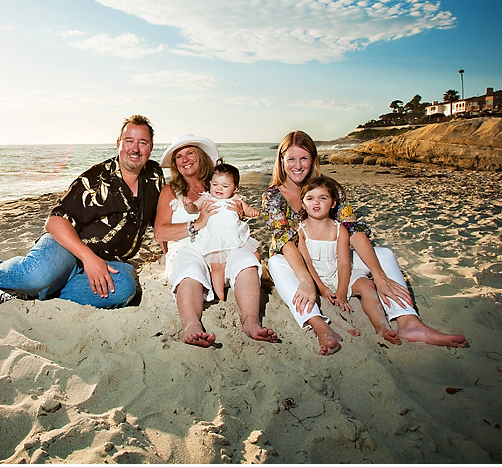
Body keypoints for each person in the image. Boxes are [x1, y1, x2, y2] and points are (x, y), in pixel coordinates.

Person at [262, 131, 467, 354]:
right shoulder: (272, 195)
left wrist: (378, 276)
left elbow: (352, 229)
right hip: (300, 262)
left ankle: (409, 322)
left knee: (384, 254)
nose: (297, 165)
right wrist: (306, 280)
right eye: (291, 158)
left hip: (334, 257)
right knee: (275, 262)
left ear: (313, 159)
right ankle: (319, 324)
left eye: (304, 158)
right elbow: (284, 240)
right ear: (281, 160)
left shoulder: (330, 189)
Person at [0, 115, 164, 309]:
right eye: (129, 141)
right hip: (68, 247)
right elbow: (54, 222)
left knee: (125, 289)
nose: (134, 148)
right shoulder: (96, 178)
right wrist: (88, 259)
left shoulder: (154, 177)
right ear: (119, 144)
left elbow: (162, 220)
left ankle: (24, 295)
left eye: (142, 142)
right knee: (38, 275)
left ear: (151, 147)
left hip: (108, 262)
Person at [154, 134, 278, 347]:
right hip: (188, 246)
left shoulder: (218, 183)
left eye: (190, 153)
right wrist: (196, 224)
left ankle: (251, 321)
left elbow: (236, 212)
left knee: (246, 263)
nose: (185, 159)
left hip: (224, 244)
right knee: (189, 270)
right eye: (179, 157)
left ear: (200, 156)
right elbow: (160, 233)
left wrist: (238, 212)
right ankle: (192, 325)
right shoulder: (170, 190)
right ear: (175, 164)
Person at [297, 176, 400, 345]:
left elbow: (344, 263)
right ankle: (335, 325)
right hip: (316, 277)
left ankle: (381, 327)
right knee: (314, 299)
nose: (316, 202)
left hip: (339, 274)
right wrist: (322, 288)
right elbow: (307, 263)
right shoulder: (300, 230)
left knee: (367, 285)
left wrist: (342, 291)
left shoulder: (340, 230)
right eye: (310, 198)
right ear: (302, 204)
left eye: (323, 198)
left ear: (333, 204)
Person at [182, 162, 261, 301]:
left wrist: (251, 211)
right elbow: (194, 209)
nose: (219, 188)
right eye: (215, 184)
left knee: (255, 255)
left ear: (235, 189)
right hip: (215, 238)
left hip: (235, 236)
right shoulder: (207, 197)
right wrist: (189, 205)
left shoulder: (236, 199)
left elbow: (246, 210)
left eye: (225, 186)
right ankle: (220, 296)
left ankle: (251, 283)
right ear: (210, 183)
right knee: (217, 267)